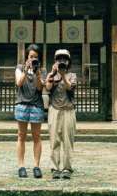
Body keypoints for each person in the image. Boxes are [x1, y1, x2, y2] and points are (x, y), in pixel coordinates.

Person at [14, 43, 45, 178]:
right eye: (31, 56)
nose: (33, 59)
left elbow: (39, 88)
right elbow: (19, 83)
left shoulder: (41, 70)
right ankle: (21, 166)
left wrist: (38, 74)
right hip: (22, 105)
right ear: (27, 56)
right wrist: (26, 70)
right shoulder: (20, 68)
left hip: (36, 105)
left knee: (36, 136)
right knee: (21, 135)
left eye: (35, 57)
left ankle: (36, 166)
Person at [45, 49, 77, 179]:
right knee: (54, 140)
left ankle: (67, 168)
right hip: (54, 110)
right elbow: (47, 87)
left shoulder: (72, 75)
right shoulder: (51, 75)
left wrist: (63, 75)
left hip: (68, 110)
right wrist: (53, 73)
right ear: (55, 61)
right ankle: (55, 167)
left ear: (68, 61)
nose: (62, 61)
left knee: (68, 140)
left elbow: (69, 87)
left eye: (64, 59)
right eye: (59, 59)